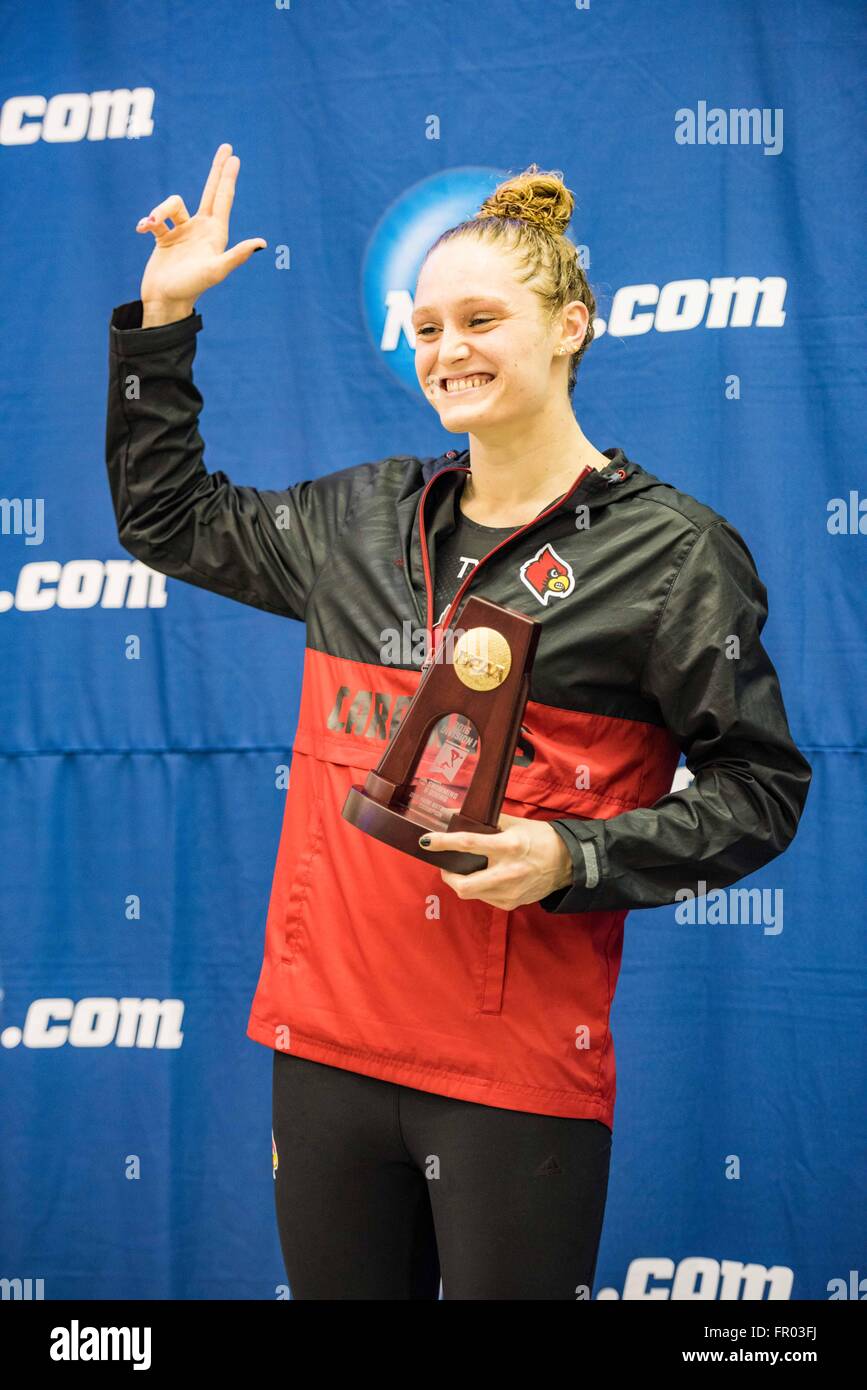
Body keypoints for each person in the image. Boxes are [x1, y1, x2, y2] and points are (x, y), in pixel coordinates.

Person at [106, 144, 812, 1300]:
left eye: (480, 319)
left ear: (571, 325)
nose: (448, 351)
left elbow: (762, 789)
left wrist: (575, 853)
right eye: (427, 327)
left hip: (514, 1076)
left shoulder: (672, 554)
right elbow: (165, 514)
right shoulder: (362, 518)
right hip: (323, 1051)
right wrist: (162, 318)